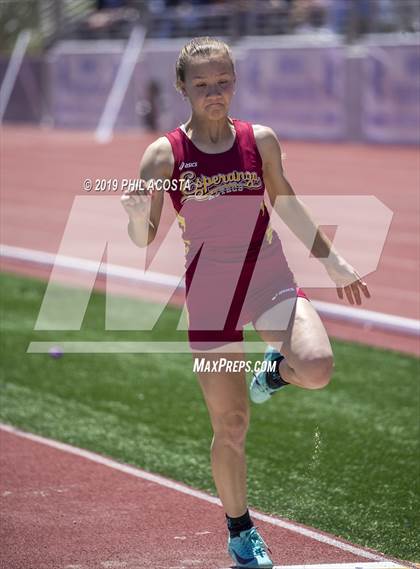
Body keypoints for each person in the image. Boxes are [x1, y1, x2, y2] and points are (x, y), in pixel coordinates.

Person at [121, 36, 370, 569]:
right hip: (211, 296)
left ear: (235, 81)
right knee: (230, 426)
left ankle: (274, 372)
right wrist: (133, 210)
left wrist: (332, 260)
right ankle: (240, 531)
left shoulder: (260, 139)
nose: (216, 92)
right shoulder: (165, 153)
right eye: (204, 84)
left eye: (224, 81)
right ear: (182, 87)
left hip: (268, 275)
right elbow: (143, 238)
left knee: (319, 366)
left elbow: (286, 200)